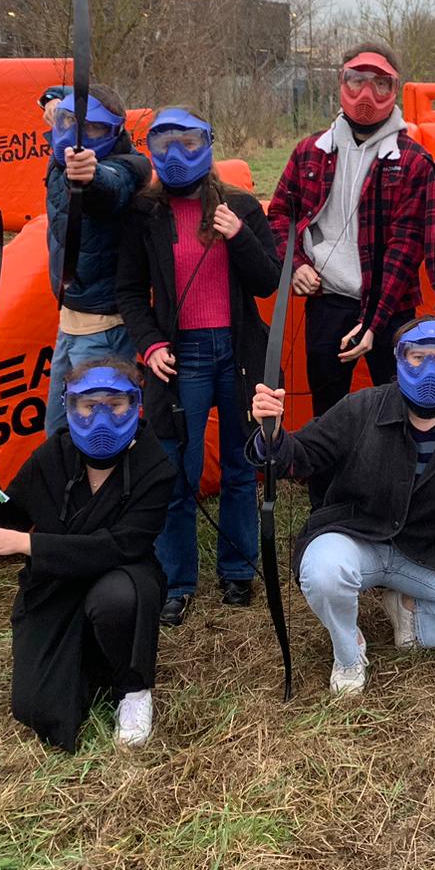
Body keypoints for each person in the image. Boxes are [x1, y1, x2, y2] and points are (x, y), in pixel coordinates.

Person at [248, 318, 435, 695]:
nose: (430, 369)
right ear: (398, 360)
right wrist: (273, 434)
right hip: (355, 537)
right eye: (418, 357)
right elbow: (302, 456)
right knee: (324, 572)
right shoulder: (361, 408)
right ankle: (348, 653)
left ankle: (409, 619)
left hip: (423, 552)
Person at [115, 108, 281, 626]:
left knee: (239, 464)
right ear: (151, 149)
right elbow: (129, 291)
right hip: (178, 358)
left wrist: (239, 235)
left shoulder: (240, 206)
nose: (176, 155)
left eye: (188, 142)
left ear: (207, 145)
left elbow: (267, 281)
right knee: (176, 471)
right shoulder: (144, 214)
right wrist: (150, 345)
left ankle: (237, 571)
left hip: (236, 354)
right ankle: (176, 580)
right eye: (164, 143)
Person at [0, 360, 174, 751]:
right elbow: (1, 526)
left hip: (122, 575)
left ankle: (134, 690)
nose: (102, 418)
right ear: (69, 406)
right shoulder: (51, 456)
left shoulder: (154, 465)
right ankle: (93, 664)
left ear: (136, 404)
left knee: (119, 597)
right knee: (36, 709)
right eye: (88, 405)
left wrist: (31, 546)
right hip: (56, 588)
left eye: (116, 404)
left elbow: (123, 546)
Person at [268, 42, 435, 417]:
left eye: (380, 84)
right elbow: (280, 216)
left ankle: (390, 477)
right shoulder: (309, 151)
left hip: (392, 308)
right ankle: (328, 477)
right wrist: (296, 265)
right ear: (341, 83)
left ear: (394, 89)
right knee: (328, 411)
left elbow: (407, 248)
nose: (366, 95)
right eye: (357, 80)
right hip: (328, 301)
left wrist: (373, 322)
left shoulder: (414, 161)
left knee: (401, 408)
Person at [42, 84, 152, 437]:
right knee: (58, 429)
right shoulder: (60, 155)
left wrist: (89, 178)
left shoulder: (129, 167)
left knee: (101, 429)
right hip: (70, 319)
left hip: (105, 327)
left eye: (94, 129)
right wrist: (52, 100)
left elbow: (109, 188)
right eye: (72, 123)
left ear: (116, 132)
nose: (80, 137)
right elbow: (76, 89)